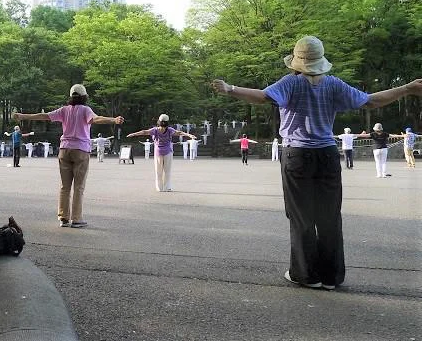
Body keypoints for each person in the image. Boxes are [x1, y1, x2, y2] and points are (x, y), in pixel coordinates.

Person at [211, 35, 422, 290]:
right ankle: (331, 277)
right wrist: (407, 88)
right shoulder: (333, 85)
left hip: (297, 155)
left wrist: (230, 89)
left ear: (297, 61)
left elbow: (263, 97)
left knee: (301, 216)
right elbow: (371, 100)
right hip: (327, 155)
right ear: (321, 60)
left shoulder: (291, 83)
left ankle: (307, 274)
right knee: (329, 216)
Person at [13, 84, 124, 228]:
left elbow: (45, 116)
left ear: (71, 96)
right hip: (81, 151)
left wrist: (23, 116)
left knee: (64, 186)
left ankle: (63, 217)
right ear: (84, 97)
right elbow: (96, 119)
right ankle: (76, 219)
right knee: (79, 186)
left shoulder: (64, 110)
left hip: (64, 150)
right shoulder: (85, 110)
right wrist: (113, 120)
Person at [127, 114, 196, 192]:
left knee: (158, 171)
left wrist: (133, 134)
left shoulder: (155, 130)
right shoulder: (169, 130)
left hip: (158, 152)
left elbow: (144, 132)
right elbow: (179, 133)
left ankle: (159, 188)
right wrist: (189, 135)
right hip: (168, 152)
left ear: (159, 122)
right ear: (167, 122)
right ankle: (167, 187)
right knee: (167, 171)